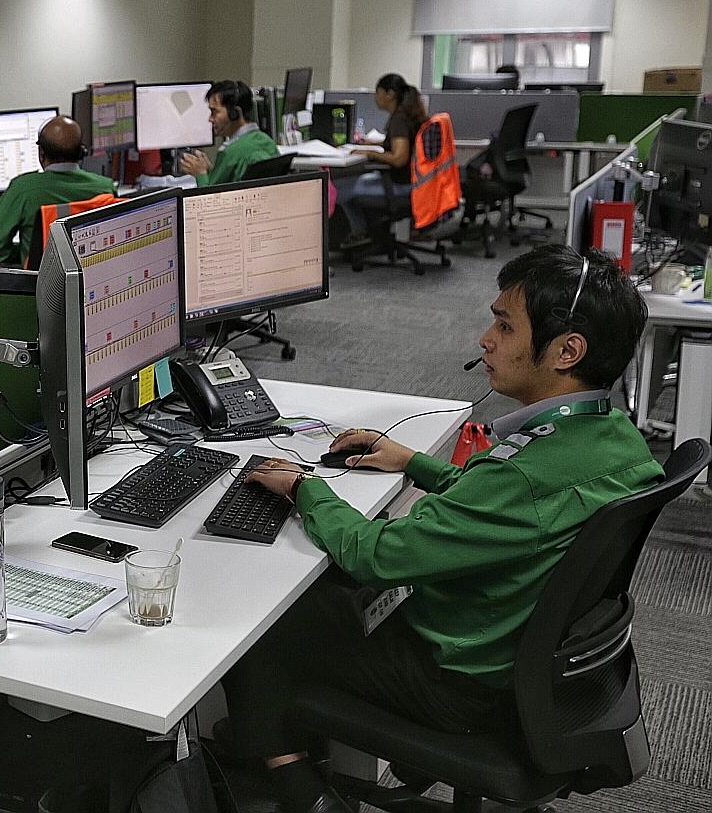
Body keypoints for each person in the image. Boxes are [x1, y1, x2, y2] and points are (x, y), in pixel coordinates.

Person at [222, 244, 661, 813]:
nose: (485, 339)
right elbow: (516, 512)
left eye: (505, 326)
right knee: (320, 594)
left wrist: (302, 485)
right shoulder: (615, 437)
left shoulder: (518, 478)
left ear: (566, 351)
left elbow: (372, 554)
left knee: (260, 619)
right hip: (518, 661)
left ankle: (296, 785)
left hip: (454, 684)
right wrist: (414, 463)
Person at [0, 114, 114, 266]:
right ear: (81, 152)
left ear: (41, 153)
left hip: (42, 279)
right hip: (94, 276)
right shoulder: (106, 187)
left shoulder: (23, 189)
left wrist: (31, 253)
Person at [339, 73, 424, 241]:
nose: (376, 98)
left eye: (378, 93)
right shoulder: (405, 115)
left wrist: (371, 153)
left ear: (389, 94)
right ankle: (361, 233)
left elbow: (399, 158)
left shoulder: (399, 119)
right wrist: (373, 144)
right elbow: (400, 145)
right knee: (341, 186)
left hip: (399, 186)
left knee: (335, 190)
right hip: (409, 183)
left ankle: (359, 234)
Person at [178, 80, 277, 186]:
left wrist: (200, 174)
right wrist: (210, 171)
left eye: (214, 112)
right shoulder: (267, 142)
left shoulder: (230, 152)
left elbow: (210, 194)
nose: (210, 119)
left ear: (235, 113)